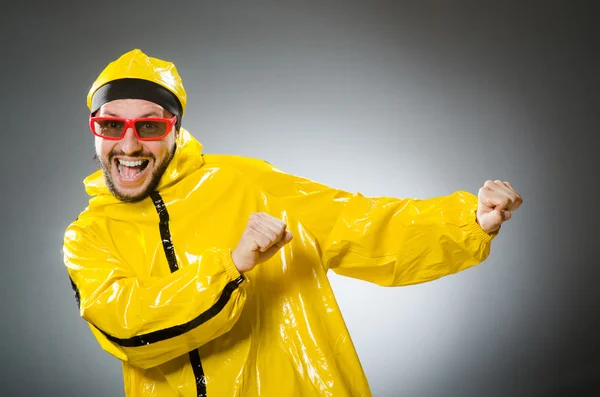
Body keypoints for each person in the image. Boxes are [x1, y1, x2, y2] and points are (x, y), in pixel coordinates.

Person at [63, 49, 522, 397]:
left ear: (175, 130)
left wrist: (467, 221)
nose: (129, 144)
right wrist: (232, 266)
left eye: (149, 127)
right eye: (110, 125)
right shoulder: (88, 237)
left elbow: (359, 223)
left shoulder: (246, 182)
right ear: (94, 130)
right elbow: (131, 329)